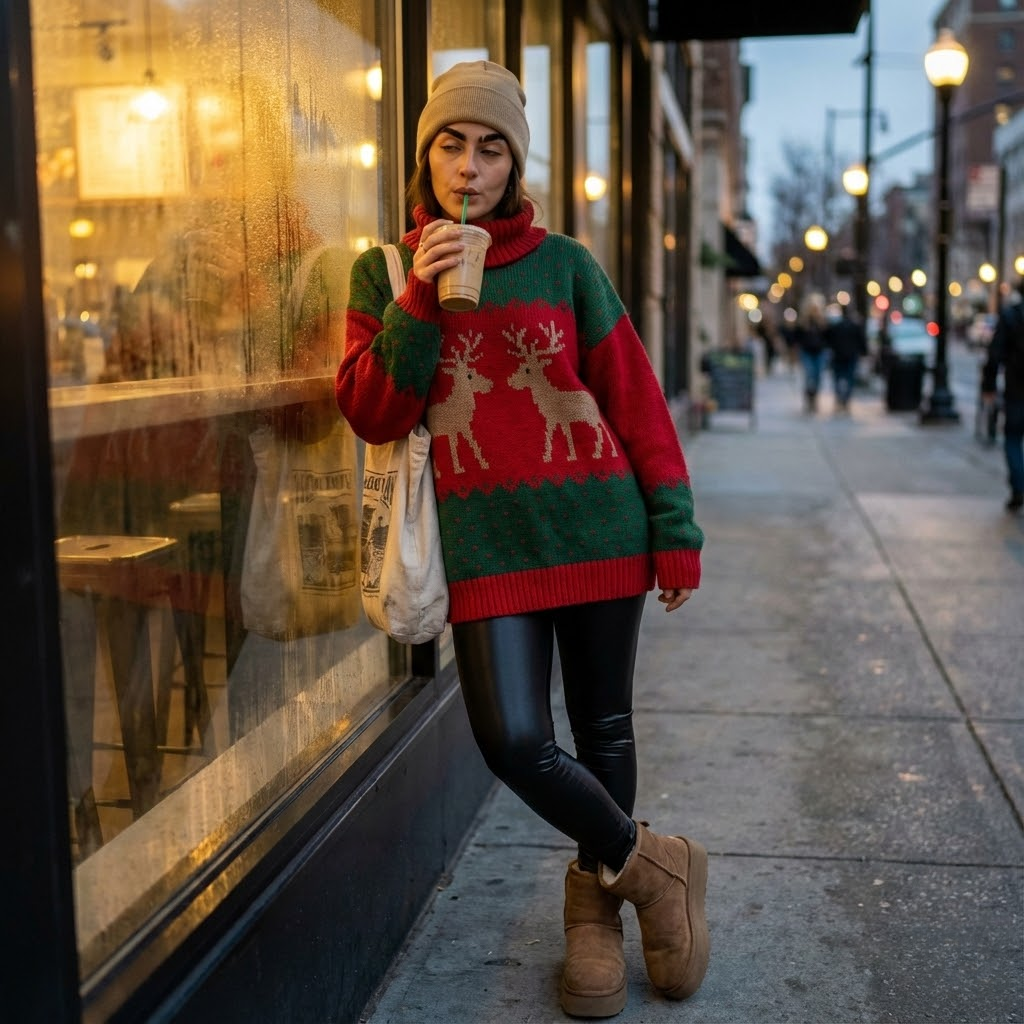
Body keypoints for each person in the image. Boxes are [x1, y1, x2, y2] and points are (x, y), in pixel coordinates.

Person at [335, 60, 707, 1019]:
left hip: (597, 530)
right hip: (489, 552)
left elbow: (634, 398)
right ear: (427, 158)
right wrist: (423, 298)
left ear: (513, 162)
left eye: (490, 147)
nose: (470, 166)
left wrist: (675, 527)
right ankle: (656, 869)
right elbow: (373, 412)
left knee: (604, 728)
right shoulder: (380, 271)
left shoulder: (568, 265)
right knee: (512, 739)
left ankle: (595, 919)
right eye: (452, 145)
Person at [981, 279, 1024, 512]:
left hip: (1017, 389)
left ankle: (1019, 486)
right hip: (1015, 389)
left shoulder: (1010, 316)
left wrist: (988, 385)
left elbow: (995, 353)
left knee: (1013, 438)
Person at [823, 303, 868, 413]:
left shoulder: (835, 327)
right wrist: (864, 353)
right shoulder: (855, 326)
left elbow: (828, 341)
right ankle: (846, 400)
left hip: (838, 356)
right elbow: (861, 341)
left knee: (838, 378)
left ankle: (839, 399)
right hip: (851, 356)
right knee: (849, 379)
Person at [791, 296, 828, 414]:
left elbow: (827, 337)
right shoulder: (803, 323)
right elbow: (796, 338)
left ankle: (814, 399)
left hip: (819, 352)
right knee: (809, 375)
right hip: (806, 352)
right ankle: (809, 400)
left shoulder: (822, 322)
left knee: (817, 376)